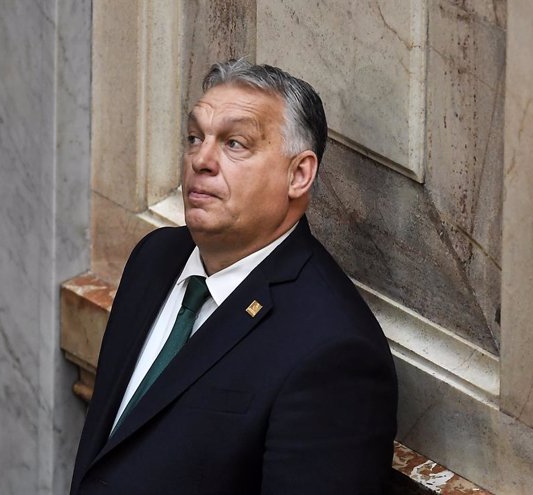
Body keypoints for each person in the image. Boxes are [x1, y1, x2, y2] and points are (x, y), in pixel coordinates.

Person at [70, 59, 398, 494]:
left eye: (235, 144)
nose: (201, 160)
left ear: (299, 174)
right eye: (194, 137)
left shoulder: (334, 350)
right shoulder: (156, 258)